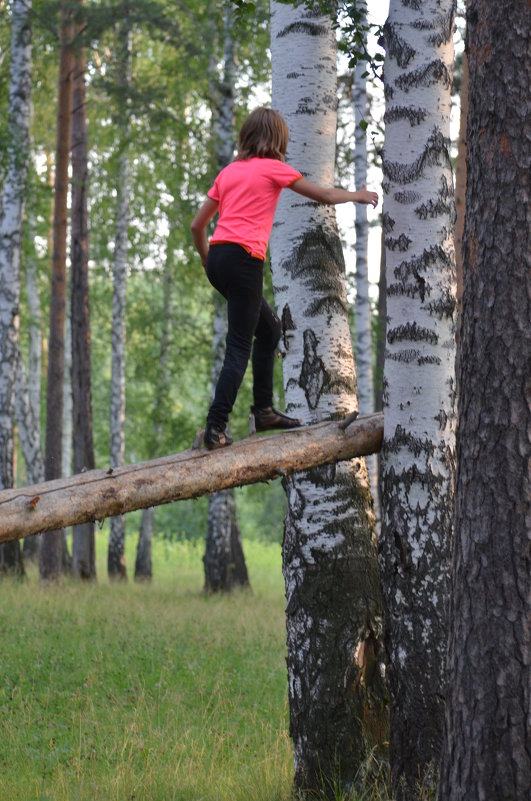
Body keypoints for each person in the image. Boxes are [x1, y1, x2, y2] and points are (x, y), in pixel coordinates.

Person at [191, 107, 378, 450]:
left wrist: (208, 262)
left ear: (246, 136)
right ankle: (216, 426)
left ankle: (263, 411)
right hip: (245, 260)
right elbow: (323, 196)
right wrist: (359, 195)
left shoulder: (229, 172)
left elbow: (196, 226)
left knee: (270, 330)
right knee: (238, 348)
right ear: (279, 140)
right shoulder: (274, 168)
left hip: (218, 257)